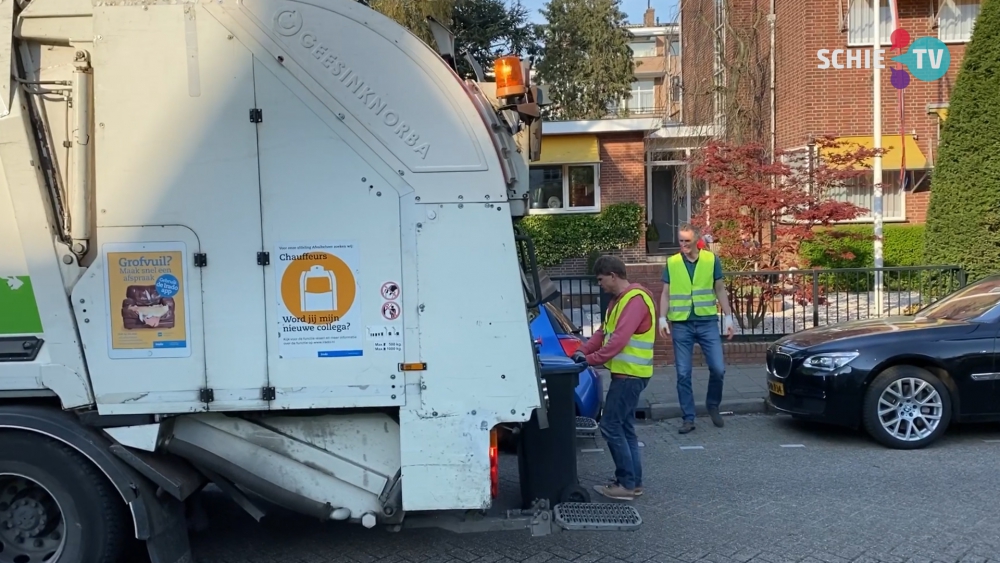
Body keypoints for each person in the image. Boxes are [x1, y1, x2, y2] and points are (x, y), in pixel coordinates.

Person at [572, 255, 656, 501]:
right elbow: (603, 333)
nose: (600, 285)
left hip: (631, 375)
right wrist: (582, 350)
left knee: (610, 425)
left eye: (600, 280)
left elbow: (618, 340)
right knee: (625, 426)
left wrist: (589, 359)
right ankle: (632, 483)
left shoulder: (635, 300)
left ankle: (626, 484)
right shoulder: (617, 302)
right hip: (627, 374)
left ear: (613, 275)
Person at [658, 223, 735, 434]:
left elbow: (719, 289)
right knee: (683, 373)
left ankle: (713, 405)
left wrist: (728, 317)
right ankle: (688, 418)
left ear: (696, 240)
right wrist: (662, 318)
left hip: (707, 321)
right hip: (681, 323)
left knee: (718, 368)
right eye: (680, 240)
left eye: (687, 241)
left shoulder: (711, 260)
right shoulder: (672, 262)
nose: (683, 244)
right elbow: (666, 293)